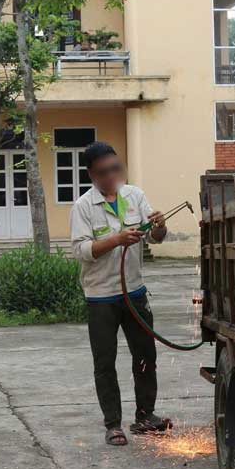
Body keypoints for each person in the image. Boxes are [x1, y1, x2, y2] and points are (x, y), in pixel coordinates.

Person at [70, 141, 170, 446]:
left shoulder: (134, 195)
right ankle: (113, 424)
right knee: (105, 361)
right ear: (91, 174)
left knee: (145, 355)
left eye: (116, 168)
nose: (112, 175)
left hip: (135, 292)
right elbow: (81, 250)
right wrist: (115, 240)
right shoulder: (83, 207)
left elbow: (155, 239)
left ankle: (145, 416)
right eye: (104, 172)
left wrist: (160, 226)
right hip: (101, 296)